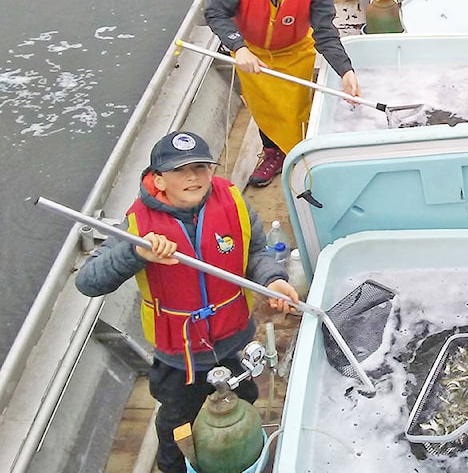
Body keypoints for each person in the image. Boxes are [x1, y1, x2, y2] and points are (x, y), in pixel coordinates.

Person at [75, 131, 300, 473]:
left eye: (200, 166)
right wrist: (135, 252)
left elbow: (256, 251)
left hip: (232, 338)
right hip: (179, 356)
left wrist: (273, 279)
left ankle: (244, 459)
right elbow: (88, 282)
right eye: (180, 170)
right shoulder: (137, 225)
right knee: (178, 421)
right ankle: (173, 467)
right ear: (158, 178)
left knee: (246, 399)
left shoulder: (233, 201)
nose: (193, 176)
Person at [205, 0, 361, 187]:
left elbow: (325, 32)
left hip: (293, 50)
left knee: (296, 109)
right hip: (251, 52)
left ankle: (300, 153)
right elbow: (217, 13)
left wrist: (345, 70)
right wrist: (238, 48)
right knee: (262, 107)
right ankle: (272, 153)